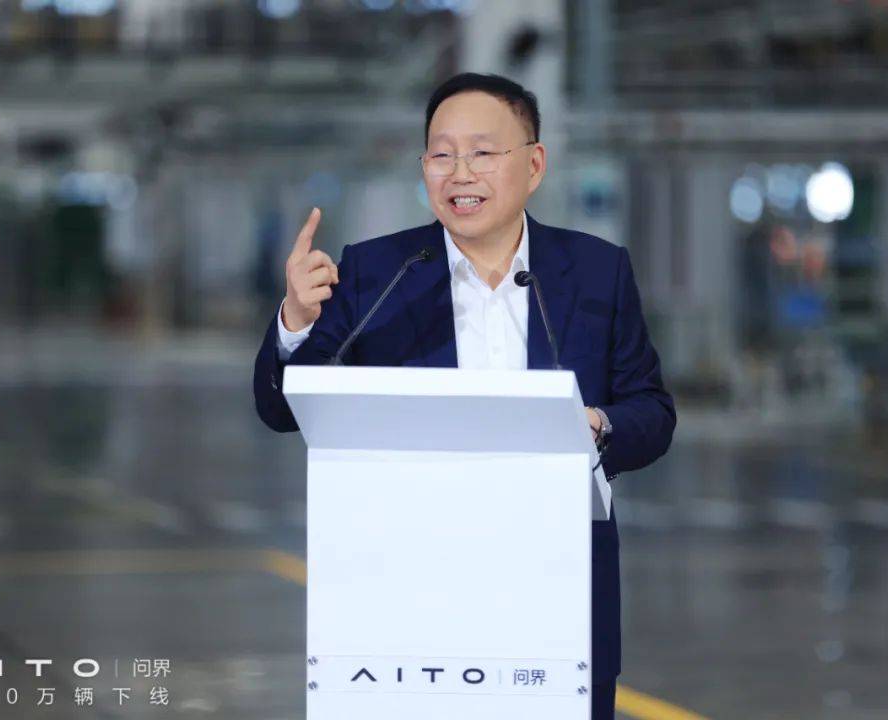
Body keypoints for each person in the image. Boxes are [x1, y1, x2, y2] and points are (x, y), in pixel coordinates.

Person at [253, 72, 676, 719]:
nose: (460, 174)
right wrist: (294, 320)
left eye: (482, 152)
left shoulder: (596, 270)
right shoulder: (377, 272)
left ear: (533, 165)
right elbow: (281, 409)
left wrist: (593, 426)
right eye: (442, 155)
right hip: (408, 590)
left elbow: (652, 412)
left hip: (559, 590)